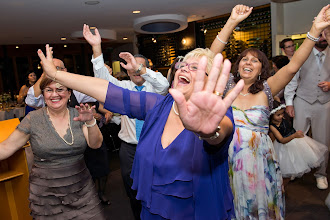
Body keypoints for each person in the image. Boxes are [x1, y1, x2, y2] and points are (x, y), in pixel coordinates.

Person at [38, 41, 246, 219]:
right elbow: (108, 91)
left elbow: (220, 133)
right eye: (183, 65)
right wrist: (56, 74)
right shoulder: (158, 105)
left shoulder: (216, 115)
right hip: (152, 210)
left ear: (210, 82)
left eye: (195, 68)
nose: (183, 69)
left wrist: (209, 132)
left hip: (195, 212)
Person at [223, 6, 330, 219]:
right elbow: (211, 56)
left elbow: (294, 66)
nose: (248, 62)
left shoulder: (267, 88)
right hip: (228, 158)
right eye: (245, 58)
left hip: (259, 160)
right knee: (232, 203)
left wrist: (314, 30)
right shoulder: (227, 87)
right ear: (238, 65)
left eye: (255, 60)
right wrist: (232, 22)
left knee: (260, 207)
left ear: (262, 69)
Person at [83, 23, 169, 219]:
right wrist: (96, 48)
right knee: (131, 188)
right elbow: (102, 80)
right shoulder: (123, 88)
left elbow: (164, 84)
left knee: (157, 185)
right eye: (130, 67)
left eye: (138, 67)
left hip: (155, 145)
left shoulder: (156, 87)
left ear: (147, 68)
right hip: (129, 149)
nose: (134, 70)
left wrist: (139, 67)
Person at [0, 78, 106, 219]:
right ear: (43, 94)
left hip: (81, 189)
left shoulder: (78, 115)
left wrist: (90, 121)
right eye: (49, 90)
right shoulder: (33, 119)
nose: (54, 94)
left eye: (60, 89)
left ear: (69, 94)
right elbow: (6, 147)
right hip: (47, 194)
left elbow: (95, 144)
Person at [284, 7, 330, 190]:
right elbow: (291, 80)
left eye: (325, 34)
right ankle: (296, 170)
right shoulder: (301, 54)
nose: (322, 38)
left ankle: (321, 174)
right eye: (319, 34)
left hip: (325, 103)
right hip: (302, 101)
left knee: (323, 140)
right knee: (297, 138)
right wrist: (289, 103)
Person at [269, 101, 328, 179]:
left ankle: (319, 174)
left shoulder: (282, 119)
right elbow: (282, 140)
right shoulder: (272, 127)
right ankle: (291, 176)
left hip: (294, 141)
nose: (281, 116)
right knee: (290, 162)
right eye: (278, 115)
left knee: (299, 158)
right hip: (285, 145)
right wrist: (294, 135)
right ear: (271, 116)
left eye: (282, 114)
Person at [25, 58, 96, 109]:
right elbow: (31, 101)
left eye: (56, 68)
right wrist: (45, 72)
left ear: (64, 70)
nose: (52, 72)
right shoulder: (45, 90)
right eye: (49, 69)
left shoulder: (75, 88)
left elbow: (98, 93)